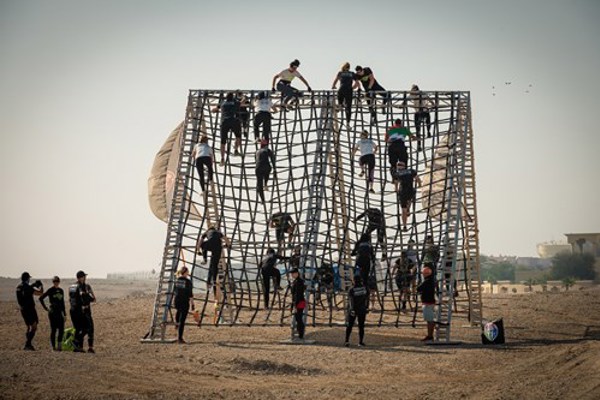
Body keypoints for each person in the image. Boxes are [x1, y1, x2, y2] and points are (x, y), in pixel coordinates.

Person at [69, 270, 96, 353]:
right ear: (80, 277)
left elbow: (71, 299)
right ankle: (78, 343)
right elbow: (89, 298)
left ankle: (78, 346)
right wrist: (87, 297)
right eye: (84, 276)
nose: (85, 278)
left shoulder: (74, 286)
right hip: (81, 311)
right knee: (87, 328)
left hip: (75, 310)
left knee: (80, 328)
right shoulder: (79, 286)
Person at [212, 92, 243, 164]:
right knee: (238, 136)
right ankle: (235, 149)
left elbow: (215, 109)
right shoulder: (234, 102)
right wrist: (243, 97)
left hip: (224, 122)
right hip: (233, 120)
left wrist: (214, 110)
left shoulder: (222, 103)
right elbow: (241, 102)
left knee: (223, 142)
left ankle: (222, 159)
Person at [390, 161, 422, 231]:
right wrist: (419, 184)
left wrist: (396, 189)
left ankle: (404, 226)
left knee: (403, 210)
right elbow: (417, 178)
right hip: (410, 190)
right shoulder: (411, 171)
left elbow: (396, 182)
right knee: (410, 198)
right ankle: (408, 208)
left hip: (403, 192)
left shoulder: (397, 173)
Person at [16, 272, 43, 350]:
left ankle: (28, 344)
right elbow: (40, 293)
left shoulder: (18, 287)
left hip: (23, 309)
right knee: (34, 326)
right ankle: (28, 344)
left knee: (28, 327)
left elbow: (24, 293)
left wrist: (32, 286)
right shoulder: (28, 287)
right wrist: (41, 286)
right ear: (27, 278)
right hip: (30, 309)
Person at [39, 276, 66, 351]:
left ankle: (59, 346)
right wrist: (46, 308)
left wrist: (65, 314)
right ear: (53, 282)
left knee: (61, 329)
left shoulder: (61, 290)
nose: (56, 283)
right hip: (52, 312)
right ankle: (53, 347)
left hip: (60, 312)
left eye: (57, 281)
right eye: (54, 281)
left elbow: (62, 303)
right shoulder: (50, 290)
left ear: (59, 282)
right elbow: (41, 298)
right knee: (53, 330)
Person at [345, 275, 368, 347]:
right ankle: (360, 342)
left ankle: (347, 341)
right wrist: (366, 307)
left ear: (354, 281)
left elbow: (351, 301)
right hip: (362, 309)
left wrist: (351, 309)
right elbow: (367, 299)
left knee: (350, 325)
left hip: (354, 309)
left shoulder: (352, 289)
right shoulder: (365, 288)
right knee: (361, 326)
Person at [173, 266, 194, 344]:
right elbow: (190, 294)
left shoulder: (177, 280)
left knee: (178, 311)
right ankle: (180, 338)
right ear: (185, 272)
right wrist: (192, 304)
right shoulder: (188, 282)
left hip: (177, 301)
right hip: (184, 302)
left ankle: (176, 322)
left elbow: (175, 290)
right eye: (188, 272)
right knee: (182, 321)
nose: (188, 273)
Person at [416, 266, 436, 341]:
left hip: (428, 303)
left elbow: (418, 288)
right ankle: (429, 335)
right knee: (429, 320)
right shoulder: (431, 280)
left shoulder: (427, 281)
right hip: (429, 302)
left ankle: (430, 336)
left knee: (429, 320)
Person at [255, 139, 276, 204]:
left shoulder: (257, 151)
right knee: (268, 169)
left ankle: (262, 200)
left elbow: (256, 161)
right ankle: (266, 184)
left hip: (258, 168)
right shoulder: (268, 150)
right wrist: (275, 168)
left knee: (259, 185)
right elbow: (272, 159)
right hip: (266, 166)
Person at [289, 268, 306, 340]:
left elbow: (297, 294)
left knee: (298, 318)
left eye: (293, 273)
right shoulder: (296, 281)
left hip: (300, 302)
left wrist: (295, 305)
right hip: (299, 301)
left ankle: (301, 334)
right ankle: (300, 333)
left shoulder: (298, 281)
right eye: (291, 274)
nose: (292, 275)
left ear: (297, 273)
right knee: (298, 318)